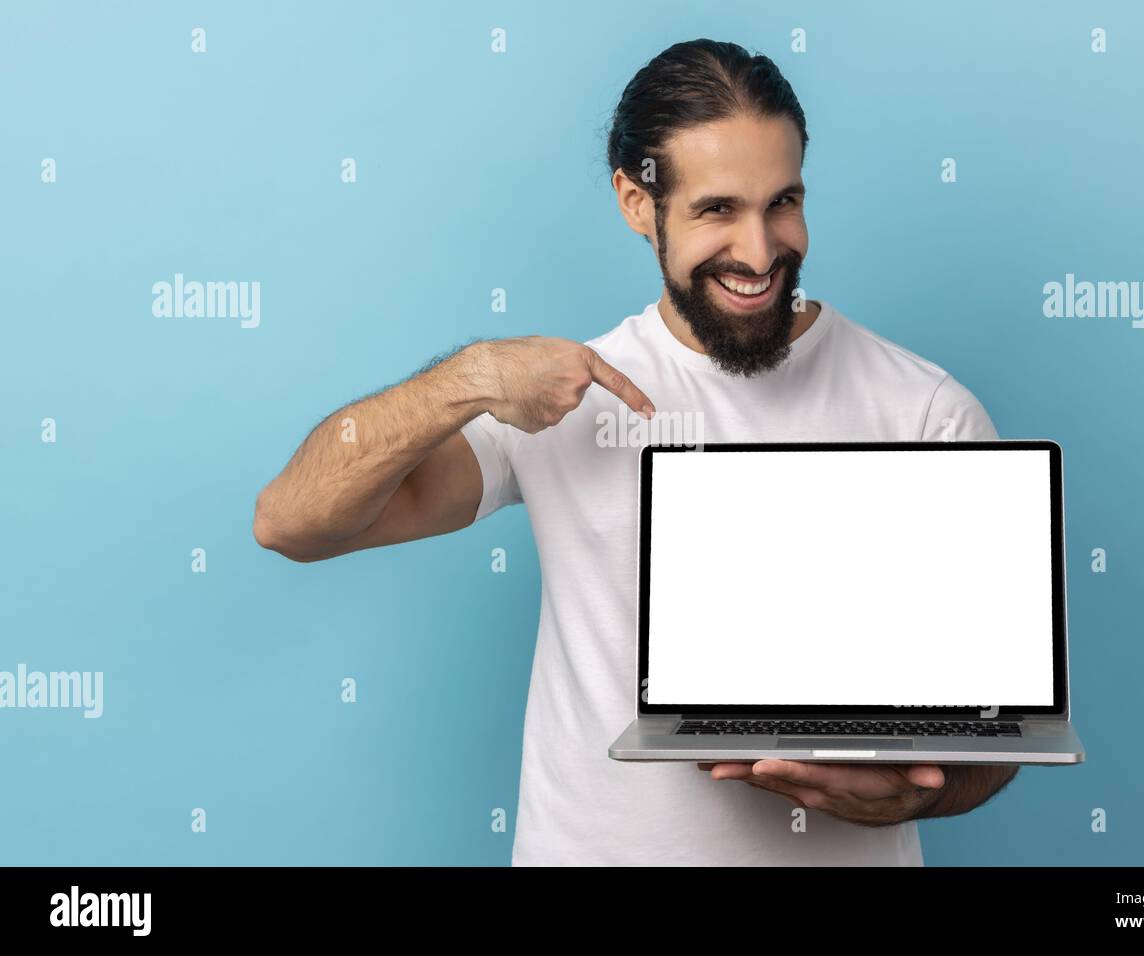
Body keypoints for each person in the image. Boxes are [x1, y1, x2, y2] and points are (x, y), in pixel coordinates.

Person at [253, 38, 1017, 865]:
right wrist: (467, 379)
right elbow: (293, 522)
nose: (760, 253)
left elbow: (999, 737)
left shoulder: (925, 410)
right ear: (635, 201)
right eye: (717, 210)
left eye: (782, 203)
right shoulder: (560, 401)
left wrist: (910, 795)